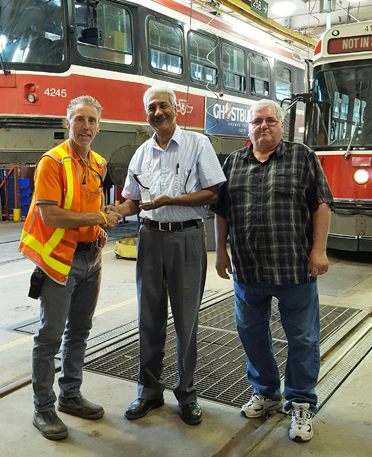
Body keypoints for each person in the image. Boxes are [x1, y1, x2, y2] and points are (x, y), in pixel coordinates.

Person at [213, 99, 333, 442]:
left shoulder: (302, 156)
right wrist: (220, 252)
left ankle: (300, 401)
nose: (263, 126)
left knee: (303, 338)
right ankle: (266, 392)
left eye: (270, 120)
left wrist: (319, 250)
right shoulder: (233, 162)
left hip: (294, 266)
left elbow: (321, 204)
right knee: (251, 333)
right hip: (249, 270)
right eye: (257, 121)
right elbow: (221, 211)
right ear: (248, 128)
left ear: (281, 125)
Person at [111, 86, 226, 426]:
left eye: (163, 105)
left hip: (187, 238)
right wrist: (116, 211)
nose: (157, 112)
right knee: (149, 317)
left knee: (186, 319)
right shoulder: (142, 154)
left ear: (176, 108)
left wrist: (170, 201)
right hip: (150, 239)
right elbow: (133, 200)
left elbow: (213, 193)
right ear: (146, 113)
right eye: (151, 107)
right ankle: (149, 391)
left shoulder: (197, 144)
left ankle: (187, 394)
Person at [19, 95, 121, 440]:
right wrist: (98, 217)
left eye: (92, 120)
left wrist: (103, 225)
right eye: (80, 119)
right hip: (59, 262)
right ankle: (43, 408)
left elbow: (97, 207)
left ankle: (71, 396)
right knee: (49, 337)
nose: (86, 126)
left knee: (79, 332)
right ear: (68, 123)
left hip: (90, 258)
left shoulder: (98, 164)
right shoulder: (52, 163)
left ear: (98, 126)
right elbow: (51, 215)